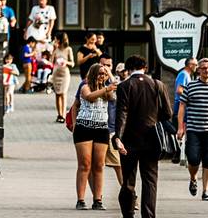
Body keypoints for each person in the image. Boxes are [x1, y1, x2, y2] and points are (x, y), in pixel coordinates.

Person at [113, 54, 171, 218]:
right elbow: (167, 113)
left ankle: (128, 213)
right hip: (152, 141)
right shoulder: (157, 84)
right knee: (150, 181)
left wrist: (118, 137)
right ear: (145, 68)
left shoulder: (124, 86)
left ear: (128, 69)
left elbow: (122, 113)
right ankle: (148, 215)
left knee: (128, 181)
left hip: (129, 141)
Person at [176, 57, 208, 201]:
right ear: (198, 70)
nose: (207, 70)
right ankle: (193, 178)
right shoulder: (191, 86)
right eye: (204, 68)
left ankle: (206, 191)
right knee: (193, 159)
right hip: (193, 130)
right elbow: (182, 106)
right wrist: (180, 127)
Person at [71, 62, 118, 210]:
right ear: (93, 74)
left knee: (99, 165)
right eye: (100, 74)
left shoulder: (106, 89)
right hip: (84, 128)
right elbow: (89, 97)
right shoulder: (85, 86)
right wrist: (73, 124)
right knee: (85, 165)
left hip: (101, 128)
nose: (102, 76)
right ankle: (81, 199)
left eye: (104, 74)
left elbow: (113, 96)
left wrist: (109, 76)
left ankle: (98, 200)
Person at [100, 55, 124, 189]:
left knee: (118, 164)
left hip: (111, 130)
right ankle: (98, 197)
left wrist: (109, 75)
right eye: (102, 65)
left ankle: (130, 195)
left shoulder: (116, 83)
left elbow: (117, 90)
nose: (105, 68)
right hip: (96, 129)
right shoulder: (90, 83)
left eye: (108, 65)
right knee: (96, 165)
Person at [52, 33, 76, 123]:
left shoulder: (68, 49)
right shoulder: (56, 50)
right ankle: (59, 115)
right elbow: (51, 61)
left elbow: (72, 63)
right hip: (56, 74)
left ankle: (64, 114)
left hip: (65, 74)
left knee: (63, 93)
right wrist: (53, 50)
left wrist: (66, 62)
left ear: (60, 40)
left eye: (56, 39)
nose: (55, 41)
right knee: (57, 94)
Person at [172, 57, 197, 129]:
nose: (197, 66)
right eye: (195, 64)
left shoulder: (186, 75)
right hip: (180, 105)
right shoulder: (183, 74)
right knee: (180, 130)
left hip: (183, 105)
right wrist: (192, 97)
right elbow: (179, 90)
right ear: (190, 65)